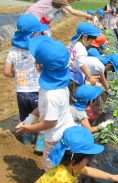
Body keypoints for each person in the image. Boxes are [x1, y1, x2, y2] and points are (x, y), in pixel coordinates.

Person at [16, 35, 75, 171]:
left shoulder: (50, 95)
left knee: (51, 167)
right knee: (62, 166)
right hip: (65, 131)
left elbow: (50, 122)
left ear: (38, 66)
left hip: (55, 138)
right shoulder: (57, 85)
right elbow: (42, 107)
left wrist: (29, 129)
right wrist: (29, 119)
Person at [3, 14, 47, 147]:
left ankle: (27, 142)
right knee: (43, 117)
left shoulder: (12, 51)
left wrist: (18, 75)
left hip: (21, 92)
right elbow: (43, 68)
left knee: (25, 118)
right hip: (37, 91)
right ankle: (40, 145)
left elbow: (6, 72)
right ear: (34, 34)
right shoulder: (38, 50)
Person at [68, 22, 100, 103]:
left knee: (69, 94)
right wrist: (90, 77)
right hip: (75, 79)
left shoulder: (72, 43)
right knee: (75, 97)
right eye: (91, 41)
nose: (91, 43)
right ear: (85, 38)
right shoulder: (82, 49)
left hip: (69, 73)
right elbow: (81, 64)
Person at [26, 0, 98, 26]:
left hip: (36, 14)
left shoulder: (62, 2)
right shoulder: (62, 0)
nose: (73, 1)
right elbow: (73, 11)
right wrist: (90, 16)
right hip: (34, 15)